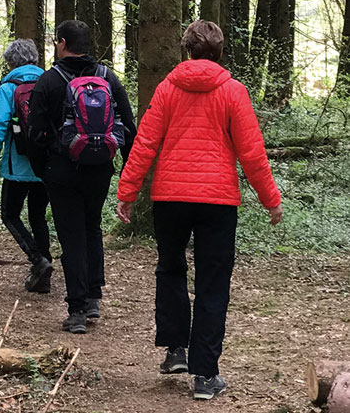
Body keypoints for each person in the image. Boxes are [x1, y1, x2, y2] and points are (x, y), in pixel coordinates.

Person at [116, 20, 282, 400]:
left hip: (170, 198)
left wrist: (127, 191)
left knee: (170, 268)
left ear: (187, 49)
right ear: (219, 51)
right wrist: (270, 199)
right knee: (213, 282)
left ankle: (176, 351)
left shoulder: (167, 88)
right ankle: (205, 375)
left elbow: (144, 144)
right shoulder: (233, 91)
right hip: (217, 202)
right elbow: (252, 153)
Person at [26, 20, 137, 334]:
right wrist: (128, 171)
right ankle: (92, 298)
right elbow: (128, 127)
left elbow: (34, 133)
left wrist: (43, 171)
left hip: (62, 173)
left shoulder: (49, 81)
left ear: (62, 43)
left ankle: (76, 311)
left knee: (71, 234)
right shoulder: (107, 78)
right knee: (91, 227)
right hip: (100, 168)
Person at [0, 39, 51, 293]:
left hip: (17, 167)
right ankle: (44, 272)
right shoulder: (50, 81)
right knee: (38, 217)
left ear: (11, 62)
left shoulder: (9, 86)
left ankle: (38, 260)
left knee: (10, 215)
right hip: (45, 164)